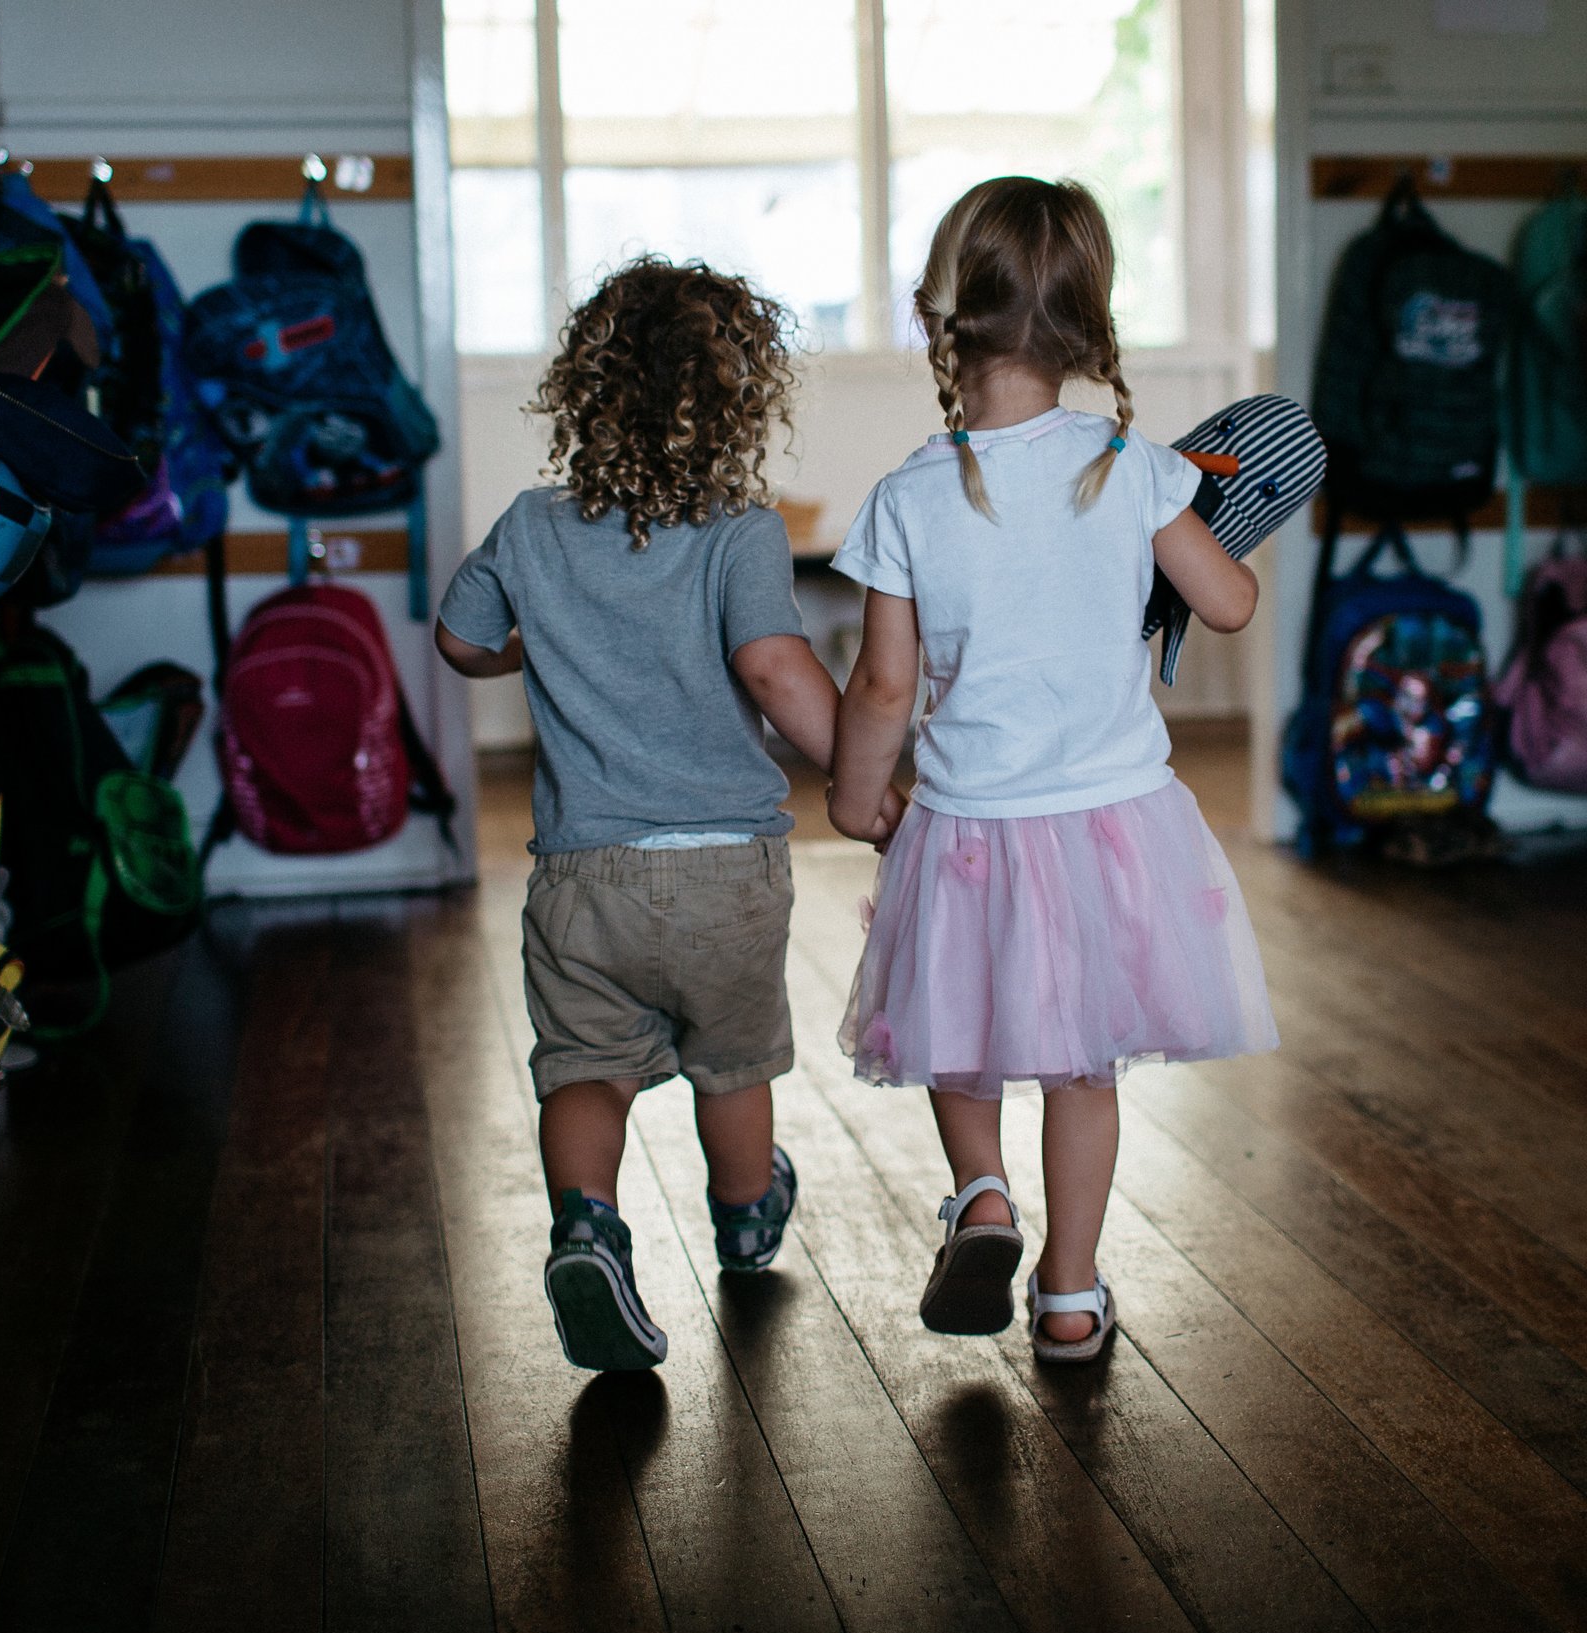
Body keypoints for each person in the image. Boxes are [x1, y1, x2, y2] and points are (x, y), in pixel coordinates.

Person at [827, 177, 1278, 1365]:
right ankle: (1071, 1295)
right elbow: (1227, 603)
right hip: (1111, 825)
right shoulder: (1129, 467)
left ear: (941, 320)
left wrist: (848, 793)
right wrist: (1198, 508)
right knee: (1083, 1066)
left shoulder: (907, 498)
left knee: (955, 1031)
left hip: (968, 820)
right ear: (1087, 327)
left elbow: (881, 686)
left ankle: (980, 1193)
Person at [436, 257, 850, 1373]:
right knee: (733, 1063)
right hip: (725, 870)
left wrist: (535, 645)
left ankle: (586, 1227)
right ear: (737, 402)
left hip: (584, 875)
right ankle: (749, 1212)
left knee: (584, 1067)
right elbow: (771, 667)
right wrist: (870, 762)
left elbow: (461, 640)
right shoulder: (741, 531)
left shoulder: (530, 525)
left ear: (582, 392)